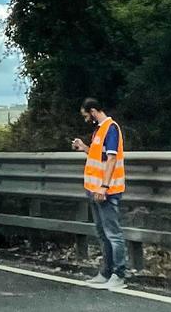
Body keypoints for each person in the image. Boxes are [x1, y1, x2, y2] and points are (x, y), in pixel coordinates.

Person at [71, 97, 127, 290]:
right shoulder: (99, 130)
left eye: (87, 115)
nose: (86, 119)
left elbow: (111, 160)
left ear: (93, 111)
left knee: (113, 234)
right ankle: (106, 272)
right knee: (103, 233)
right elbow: (99, 157)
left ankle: (119, 274)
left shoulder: (111, 128)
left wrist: (104, 186)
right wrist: (84, 148)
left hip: (106, 191)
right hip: (95, 190)